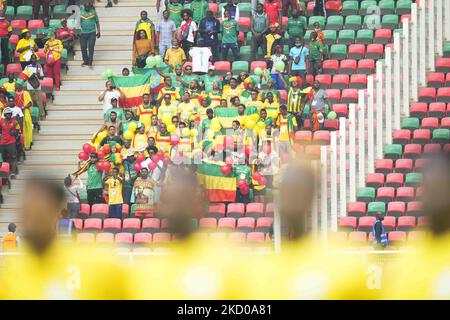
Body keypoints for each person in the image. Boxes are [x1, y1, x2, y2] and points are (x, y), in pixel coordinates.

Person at [0, 178, 132, 299]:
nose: (30, 221)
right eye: (26, 213)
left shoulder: (100, 265)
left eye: (38, 214)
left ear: (58, 214)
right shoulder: (10, 274)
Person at [79, 1, 100, 68]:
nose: (87, 8)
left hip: (92, 32)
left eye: (88, 7)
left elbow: (97, 22)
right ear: (84, 6)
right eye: (86, 7)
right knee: (83, 47)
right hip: (83, 33)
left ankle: (90, 62)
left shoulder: (93, 12)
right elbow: (77, 23)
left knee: (91, 46)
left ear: (90, 7)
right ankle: (85, 61)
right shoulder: (81, 12)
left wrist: (99, 31)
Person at [0, 107, 19, 178]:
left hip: (11, 142)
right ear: (4, 114)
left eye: (9, 114)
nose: (8, 115)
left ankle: (13, 173)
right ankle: (5, 173)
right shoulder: (1, 121)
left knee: (13, 157)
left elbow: (18, 131)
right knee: (4, 158)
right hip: (2, 143)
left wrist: (15, 133)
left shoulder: (15, 122)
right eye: (7, 114)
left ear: (11, 114)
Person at [24, 54, 45, 119]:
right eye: (32, 58)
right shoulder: (27, 67)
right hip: (30, 86)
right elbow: (24, 77)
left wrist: (38, 75)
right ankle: (32, 115)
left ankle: (42, 114)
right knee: (31, 102)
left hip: (37, 86)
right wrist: (30, 76)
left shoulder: (39, 66)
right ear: (30, 59)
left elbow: (42, 77)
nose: (33, 60)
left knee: (39, 101)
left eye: (34, 58)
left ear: (36, 59)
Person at [14, 83, 33, 150]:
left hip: (25, 112)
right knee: (19, 130)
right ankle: (20, 146)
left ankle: (28, 144)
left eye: (16, 85)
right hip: (17, 114)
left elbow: (30, 103)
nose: (15, 86)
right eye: (15, 85)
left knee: (27, 129)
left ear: (20, 85)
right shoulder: (14, 94)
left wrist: (23, 107)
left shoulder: (26, 93)